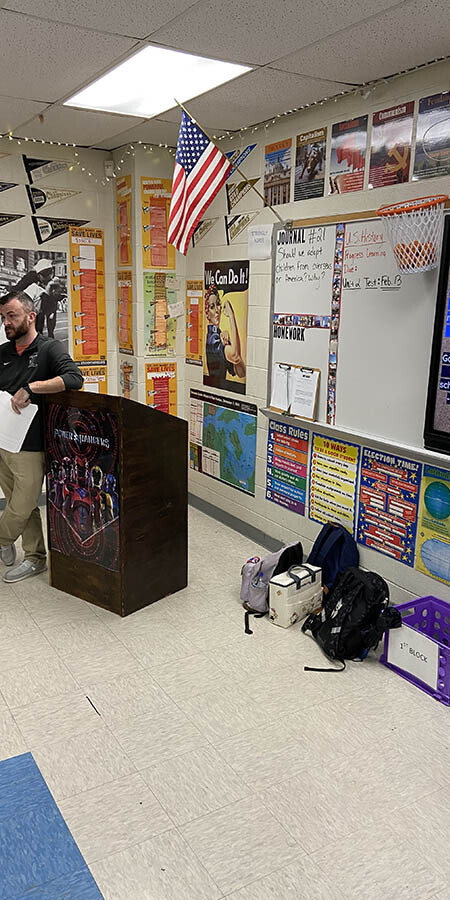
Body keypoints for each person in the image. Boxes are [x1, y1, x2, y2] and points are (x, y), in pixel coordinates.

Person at [0, 290, 83, 583]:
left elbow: (74, 378)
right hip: (2, 441)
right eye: (3, 317)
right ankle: (35, 557)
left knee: (22, 503)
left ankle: (2, 538)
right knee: (18, 503)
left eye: (12, 316)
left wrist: (32, 388)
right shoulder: (3, 353)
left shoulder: (49, 348)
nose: (6, 323)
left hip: (31, 445)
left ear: (31, 316)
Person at [204, 284, 245, 389]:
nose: (217, 310)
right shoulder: (213, 339)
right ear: (207, 313)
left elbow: (241, 372)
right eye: (212, 307)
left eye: (218, 304)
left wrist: (229, 342)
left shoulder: (219, 336)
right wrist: (231, 316)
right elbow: (236, 357)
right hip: (215, 390)